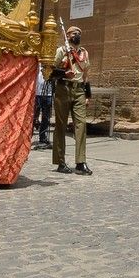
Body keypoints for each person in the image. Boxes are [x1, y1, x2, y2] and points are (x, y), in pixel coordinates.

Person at [52, 25, 92, 176]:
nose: (77, 35)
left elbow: (86, 74)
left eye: (79, 33)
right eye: (74, 33)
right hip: (63, 88)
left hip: (79, 90)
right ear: (67, 36)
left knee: (81, 125)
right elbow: (50, 70)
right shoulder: (61, 51)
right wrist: (64, 73)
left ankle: (80, 162)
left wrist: (88, 95)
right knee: (61, 125)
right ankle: (60, 161)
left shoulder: (84, 53)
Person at [32, 67, 53, 149]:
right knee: (33, 117)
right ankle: (28, 136)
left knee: (46, 118)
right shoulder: (37, 63)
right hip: (37, 93)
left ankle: (43, 139)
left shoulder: (52, 64)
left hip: (48, 93)